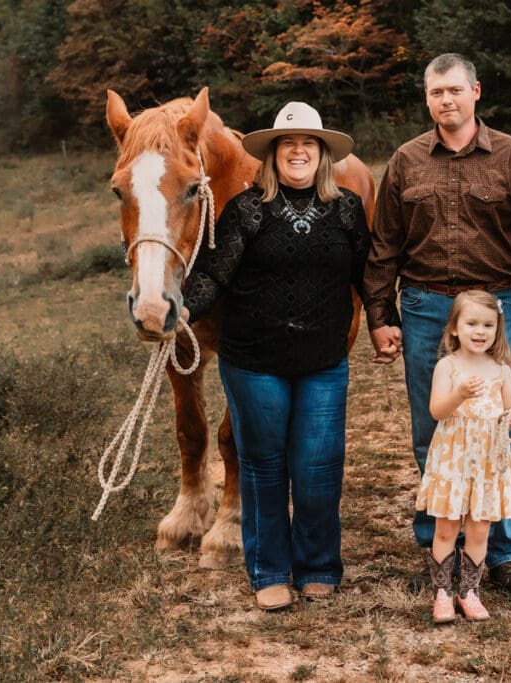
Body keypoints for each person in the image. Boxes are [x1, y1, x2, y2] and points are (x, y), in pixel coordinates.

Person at [364, 53, 511, 593]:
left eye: (453, 90)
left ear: (475, 92)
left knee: (502, 428)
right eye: (435, 93)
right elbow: (384, 247)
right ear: (427, 100)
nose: (445, 100)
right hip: (424, 307)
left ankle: (502, 550)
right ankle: (439, 549)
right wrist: (381, 316)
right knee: (434, 429)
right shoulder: (405, 160)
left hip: (495, 309)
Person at [182, 102, 371, 611]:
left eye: (308, 143)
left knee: (318, 468)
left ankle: (317, 565)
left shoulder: (347, 209)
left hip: (323, 360)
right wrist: (180, 307)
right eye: (287, 144)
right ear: (272, 155)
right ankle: (268, 569)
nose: (298, 151)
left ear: (322, 154)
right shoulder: (246, 210)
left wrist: (385, 319)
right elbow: (214, 274)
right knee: (263, 466)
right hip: (253, 362)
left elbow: (365, 276)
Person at [418, 291, 511, 622]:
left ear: (498, 329)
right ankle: (442, 593)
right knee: (447, 529)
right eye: (472, 323)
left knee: (480, 530)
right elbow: (436, 410)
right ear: (454, 328)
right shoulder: (447, 367)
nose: (480, 332)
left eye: (488, 325)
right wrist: (460, 393)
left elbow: (509, 413)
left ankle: (469, 591)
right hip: (453, 460)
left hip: (489, 463)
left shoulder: (501, 370)